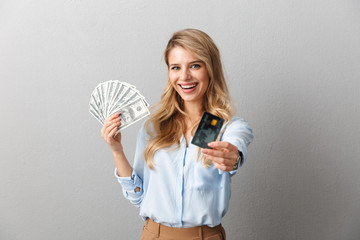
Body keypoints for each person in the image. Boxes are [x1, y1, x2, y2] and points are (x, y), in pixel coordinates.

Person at [101, 29, 253, 240]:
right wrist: (116, 151)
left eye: (195, 66)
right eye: (176, 67)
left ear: (211, 69)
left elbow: (236, 145)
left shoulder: (223, 127)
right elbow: (139, 195)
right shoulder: (154, 128)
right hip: (154, 235)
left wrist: (233, 157)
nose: (184, 76)